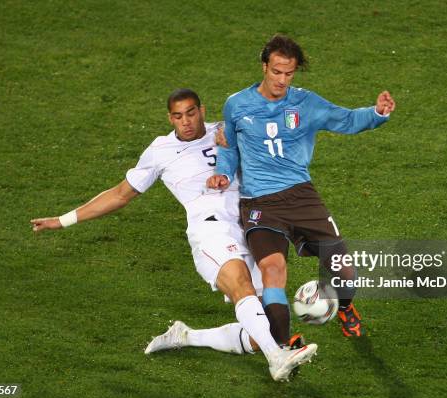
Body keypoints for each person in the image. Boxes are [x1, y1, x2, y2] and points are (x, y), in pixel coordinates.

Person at [30, 88, 317, 382]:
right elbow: (119, 195)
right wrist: (62, 220)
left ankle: (187, 336)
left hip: (253, 226)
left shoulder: (226, 130)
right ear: (170, 118)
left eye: (191, 113)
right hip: (211, 229)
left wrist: (242, 142)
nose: (186, 122)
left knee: (260, 333)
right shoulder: (159, 151)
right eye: (178, 116)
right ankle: (277, 358)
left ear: (202, 111)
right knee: (241, 286)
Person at [207, 35, 396, 344]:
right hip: (259, 202)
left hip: (301, 196)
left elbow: (345, 119)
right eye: (277, 71)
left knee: (344, 269)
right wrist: (223, 174)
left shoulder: (305, 103)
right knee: (272, 269)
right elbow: (229, 146)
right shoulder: (237, 104)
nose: (282, 80)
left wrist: (377, 114)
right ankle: (281, 346)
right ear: (265, 66)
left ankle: (345, 307)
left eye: (289, 73)